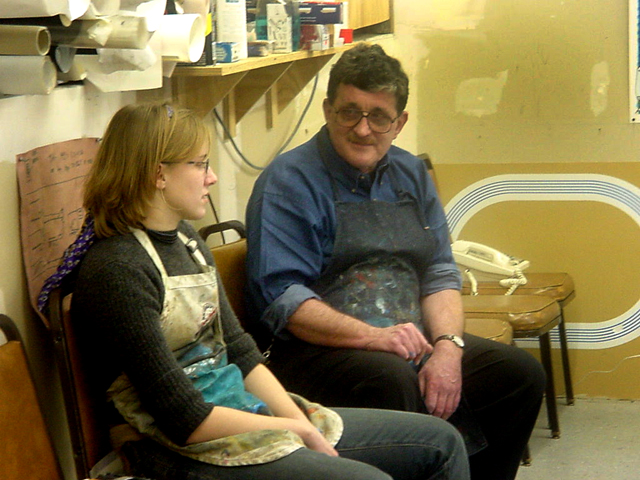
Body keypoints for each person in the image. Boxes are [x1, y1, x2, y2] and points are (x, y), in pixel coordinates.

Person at [40, 102, 470, 480]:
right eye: (199, 164)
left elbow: (241, 353)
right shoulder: (118, 270)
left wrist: (296, 418)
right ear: (159, 174)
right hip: (172, 446)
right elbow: (184, 419)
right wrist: (295, 430)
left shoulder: (187, 242)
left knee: (442, 443)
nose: (211, 177)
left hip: (233, 410)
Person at [245, 42, 546, 480]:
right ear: (328, 110)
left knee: (518, 375)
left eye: (379, 117)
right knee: (391, 377)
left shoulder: (410, 174)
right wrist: (373, 337)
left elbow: (439, 271)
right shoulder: (289, 181)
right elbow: (284, 301)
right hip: (313, 352)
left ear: (399, 123)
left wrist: (448, 347)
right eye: (350, 112)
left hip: (407, 340)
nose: (363, 129)